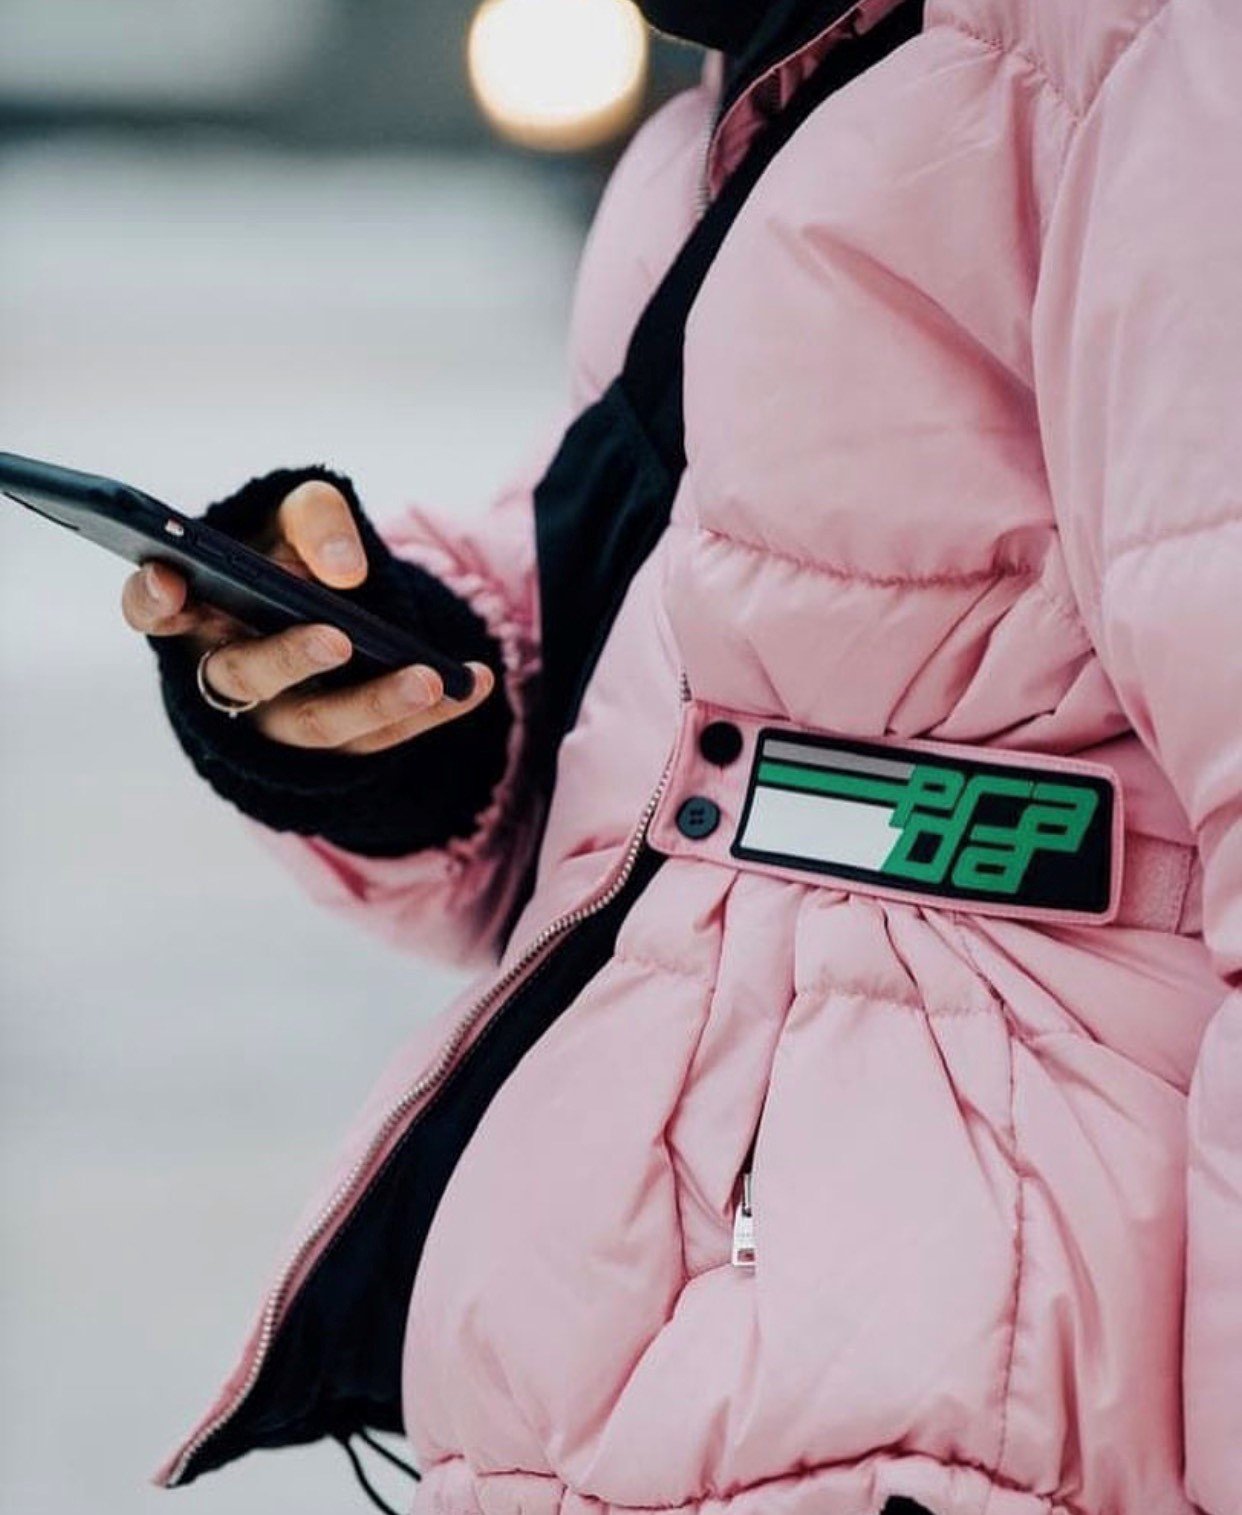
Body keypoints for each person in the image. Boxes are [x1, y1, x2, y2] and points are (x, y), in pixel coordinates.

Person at [121, 0, 1242, 1511]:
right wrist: (375, 692)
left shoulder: (1152, 65)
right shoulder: (729, 109)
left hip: (984, 1402)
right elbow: (665, 682)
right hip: (625, 1362)